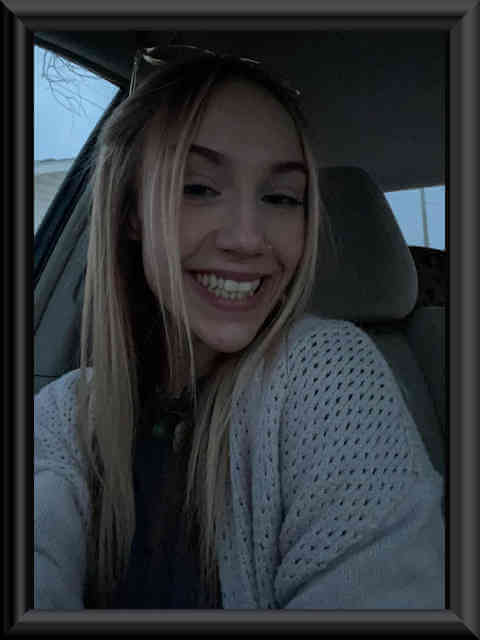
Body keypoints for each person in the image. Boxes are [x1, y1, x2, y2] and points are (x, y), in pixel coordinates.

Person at [34, 47, 444, 610]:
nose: (248, 239)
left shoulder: (327, 373)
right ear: (131, 212)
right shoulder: (62, 415)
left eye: (281, 198)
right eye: (199, 188)